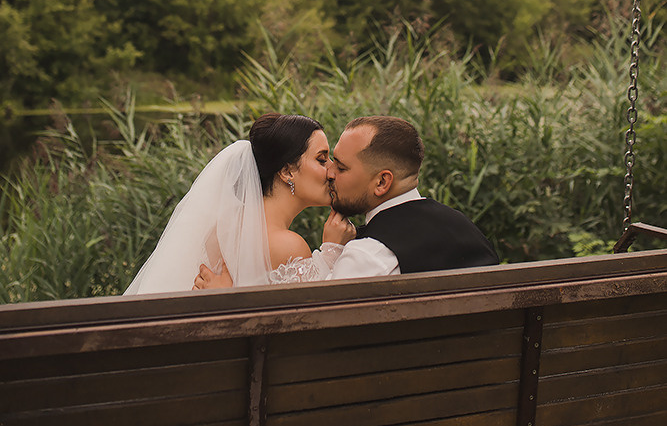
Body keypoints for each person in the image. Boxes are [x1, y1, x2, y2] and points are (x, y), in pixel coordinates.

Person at [124, 112, 354, 295]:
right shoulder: (288, 246)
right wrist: (330, 254)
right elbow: (301, 329)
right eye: (322, 159)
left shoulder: (222, 229)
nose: (332, 171)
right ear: (286, 171)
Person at [325, 115, 499, 277]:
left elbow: (324, 309)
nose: (329, 173)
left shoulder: (368, 256)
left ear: (382, 182)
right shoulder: (466, 229)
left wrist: (330, 250)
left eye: (341, 168)